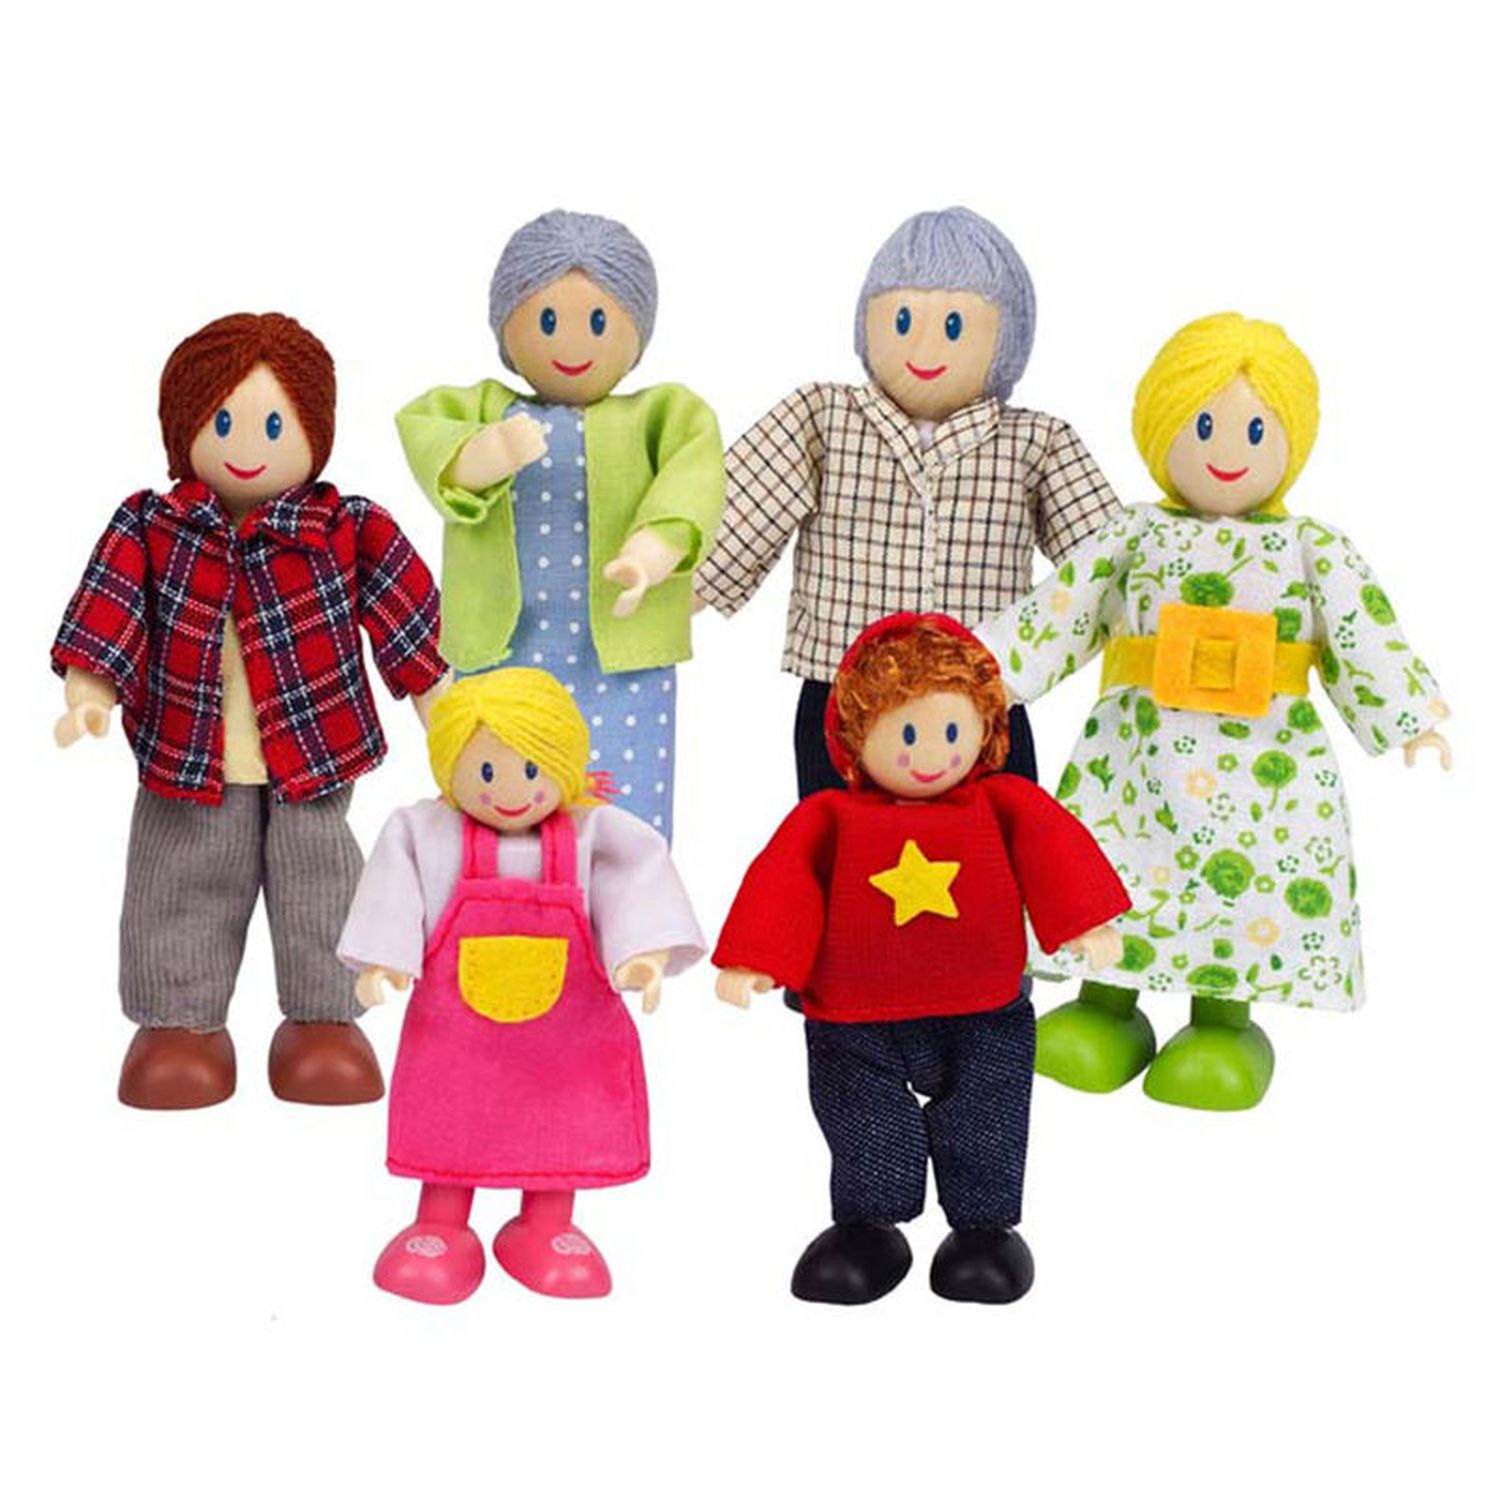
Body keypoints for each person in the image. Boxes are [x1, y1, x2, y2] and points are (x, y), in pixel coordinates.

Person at [981, 313, 1452, 1109]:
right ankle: (1105, 1008)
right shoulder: (1132, 533)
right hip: (1136, 758)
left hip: (1265, 769)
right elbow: (1062, 608)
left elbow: (1362, 631)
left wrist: (1410, 716)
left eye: (1255, 429)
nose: (1226, 450)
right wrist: (989, 673)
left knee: (1243, 891)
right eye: (1202, 425)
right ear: (1161, 424)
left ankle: (1224, 1025)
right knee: (1117, 866)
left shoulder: (1311, 549)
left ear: (1291, 438)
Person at [52, 313, 445, 1109]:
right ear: (184, 426)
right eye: (223, 423)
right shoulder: (152, 525)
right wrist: (91, 689)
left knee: (322, 883)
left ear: (314, 431)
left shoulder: (344, 527)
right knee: (178, 882)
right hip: (186, 753)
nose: (248, 447)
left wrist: (444, 707)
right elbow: (113, 606)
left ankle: (325, 1021)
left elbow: (408, 621)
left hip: (315, 751)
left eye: (274, 426)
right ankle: (179, 1025)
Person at [713, 614, 1128, 1304]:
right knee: (863, 1116)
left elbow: (1054, 849)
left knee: (989, 1110)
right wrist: (757, 958)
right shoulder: (830, 817)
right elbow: (786, 879)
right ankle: (867, 1228)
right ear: (856, 734)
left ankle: (983, 1230)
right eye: (906, 735)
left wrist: (1086, 922)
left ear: (985, 730)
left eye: (951, 732)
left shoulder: (1004, 802)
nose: (930, 755)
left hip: (984, 1005)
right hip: (855, 1015)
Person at [694, 206, 1122, 796]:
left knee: (993, 836)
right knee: (840, 838)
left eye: (954, 326)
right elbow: (746, 501)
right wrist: (677, 583)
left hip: (981, 699)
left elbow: (1106, 557)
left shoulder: (1036, 442)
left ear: (1007, 340)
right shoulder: (824, 417)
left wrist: (1155, 611)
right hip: (846, 695)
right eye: (902, 320)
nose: (924, 346)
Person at [340, 669, 704, 1305]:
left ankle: (546, 1224)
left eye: (532, 770)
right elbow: (393, 890)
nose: (509, 792)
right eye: (485, 771)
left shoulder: (595, 835)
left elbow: (636, 888)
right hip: (458, 1041)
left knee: (561, 1124)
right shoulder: (426, 833)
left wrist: (641, 955)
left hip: (566, 1044)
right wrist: (385, 959)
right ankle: (441, 1223)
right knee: (452, 1119)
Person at [396, 210, 725, 841]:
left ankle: (628, 895)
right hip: (504, 649)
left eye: (598, 322)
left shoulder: (661, 413)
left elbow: (694, 476)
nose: (571, 345)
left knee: (623, 808)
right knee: (498, 788)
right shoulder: (482, 407)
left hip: (622, 656)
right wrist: (485, 452)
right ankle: (498, 892)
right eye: (547, 321)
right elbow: (428, 439)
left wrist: (653, 549)